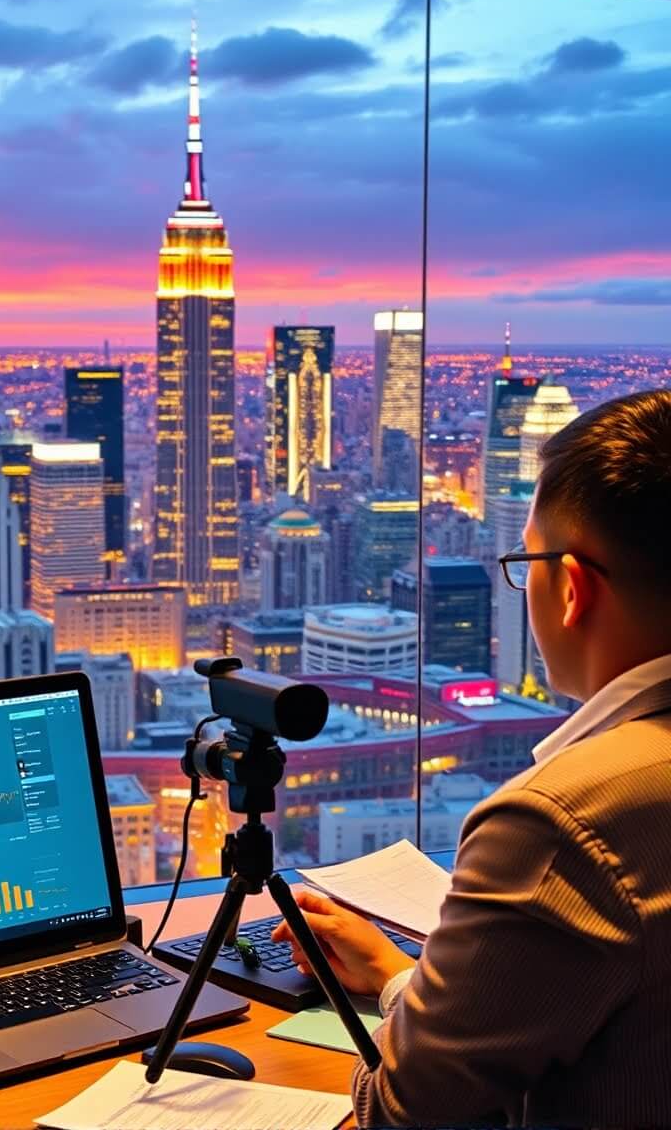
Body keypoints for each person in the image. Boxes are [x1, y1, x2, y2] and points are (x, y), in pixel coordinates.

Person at [274, 390, 671, 1126]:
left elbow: (406, 1111)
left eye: (527, 561)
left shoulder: (564, 822)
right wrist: (407, 984)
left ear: (573, 587)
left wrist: (406, 1009)